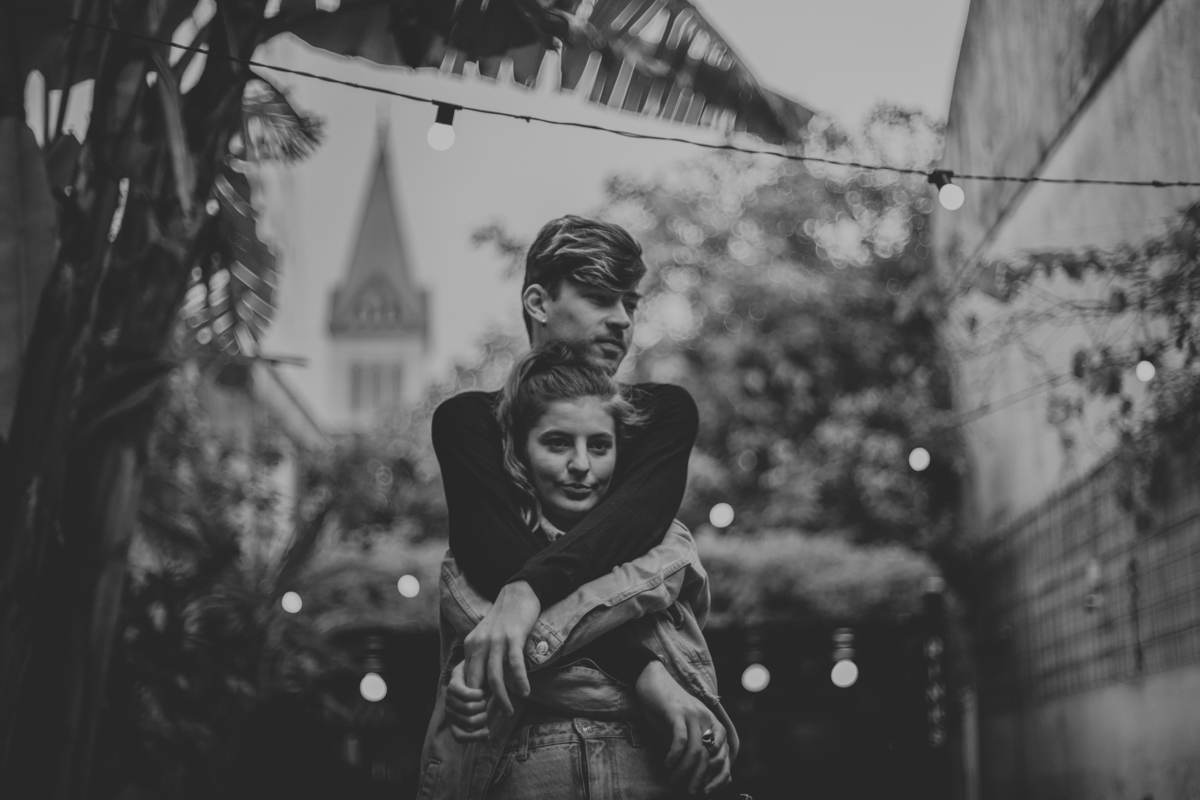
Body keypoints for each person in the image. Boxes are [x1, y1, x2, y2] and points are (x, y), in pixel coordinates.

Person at [421, 217, 733, 797]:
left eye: (630, 303)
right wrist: (649, 675)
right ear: (538, 301)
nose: (621, 319)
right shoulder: (472, 423)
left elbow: (630, 537)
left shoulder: (656, 416)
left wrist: (522, 593)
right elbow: (491, 558)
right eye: (597, 298)